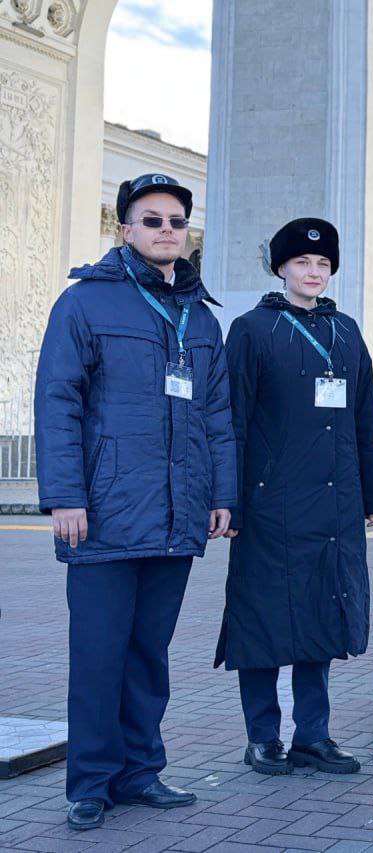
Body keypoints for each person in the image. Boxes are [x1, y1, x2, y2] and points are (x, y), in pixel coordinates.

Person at [35, 173, 236, 830]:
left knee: (149, 654)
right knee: (98, 655)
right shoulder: (85, 305)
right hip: (102, 515)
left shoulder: (201, 318)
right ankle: (90, 782)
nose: (166, 230)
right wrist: (65, 495)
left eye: (176, 220)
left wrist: (220, 494)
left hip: (177, 516)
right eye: (151, 220)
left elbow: (216, 415)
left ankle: (141, 771)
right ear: (125, 229)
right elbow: (58, 402)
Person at [217, 217, 373, 775]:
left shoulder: (347, 332)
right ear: (281, 268)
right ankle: (262, 736)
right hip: (269, 505)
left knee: (322, 615)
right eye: (301, 263)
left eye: (322, 264)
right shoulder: (251, 330)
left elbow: (366, 418)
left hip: (335, 505)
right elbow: (231, 421)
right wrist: (231, 499)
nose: (313, 272)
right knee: (264, 619)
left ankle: (313, 735)